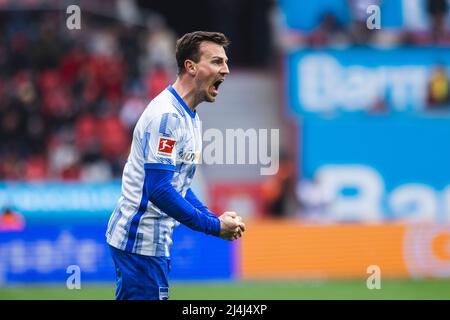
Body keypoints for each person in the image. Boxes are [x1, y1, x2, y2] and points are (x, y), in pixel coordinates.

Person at [105, 31, 246, 300]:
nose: (225, 70)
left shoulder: (190, 116)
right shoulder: (167, 117)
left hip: (151, 245)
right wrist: (213, 226)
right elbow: (159, 189)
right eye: (216, 62)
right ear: (190, 67)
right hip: (140, 244)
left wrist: (212, 216)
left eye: (225, 62)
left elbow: (177, 184)